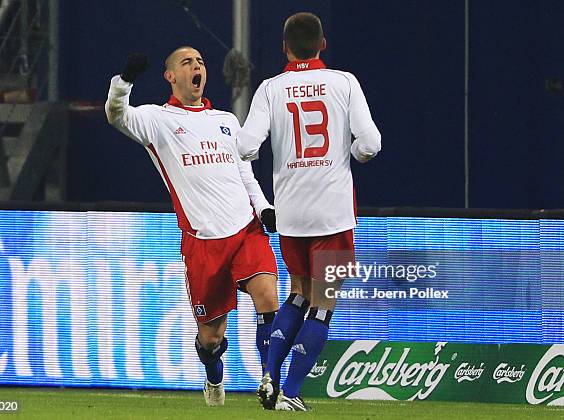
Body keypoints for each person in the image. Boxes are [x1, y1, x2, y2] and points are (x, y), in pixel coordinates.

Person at [105, 46, 279, 407]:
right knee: (212, 338)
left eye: (200, 62)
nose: (196, 67)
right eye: (187, 63)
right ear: (171, 76)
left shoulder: (228, 120)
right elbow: (116, 116)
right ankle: (214, 376)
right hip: (203, 243)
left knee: (268, 294)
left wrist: (263, 208)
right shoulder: (157, 119)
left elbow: (244, 173)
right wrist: (125, 81)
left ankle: (269, 381)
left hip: (246, 231)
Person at [236, 12, 382, 411]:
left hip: (291, 214)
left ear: (284, 48)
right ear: (323, 44)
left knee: (297, 293)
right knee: (323, 303)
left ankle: (270, 374)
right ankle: (293, 392)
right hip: (332, 211)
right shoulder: (344, 82)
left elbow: (247, 147)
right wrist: (347, 155)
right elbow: (370, 143)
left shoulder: (270, 89)